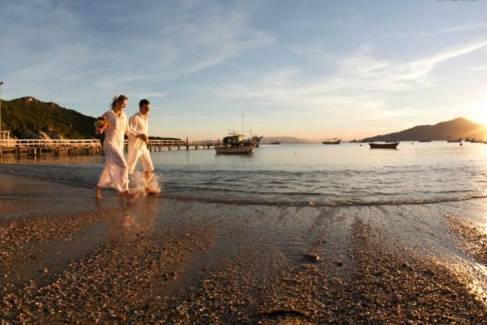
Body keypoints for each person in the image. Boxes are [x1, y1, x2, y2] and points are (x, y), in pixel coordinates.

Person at [95, 95, 145, 200]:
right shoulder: (109, 114)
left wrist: (139, 134)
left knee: (108, 167)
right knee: (124, 166)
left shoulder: (124, 116)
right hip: (110, 143)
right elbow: (99, 125)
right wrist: (100, 129)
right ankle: (124, 191)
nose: (124, 106)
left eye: (126, 105)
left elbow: (128, 131)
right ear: (117, 102)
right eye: (123, 104)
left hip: (119, 145)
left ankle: (98, 189)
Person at [127, 99, 159, 194]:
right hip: (135, 146)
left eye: (149, 108)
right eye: (146, 108)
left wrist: (146, 137)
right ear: (140, 107)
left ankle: (147, 187)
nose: (148, 110)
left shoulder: (146, 117)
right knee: (129, 169)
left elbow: (144, 131)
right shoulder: (134, 118)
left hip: (143, 146)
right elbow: (129, 132)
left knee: (149, 167)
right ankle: (123, 188)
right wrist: (141, 135)